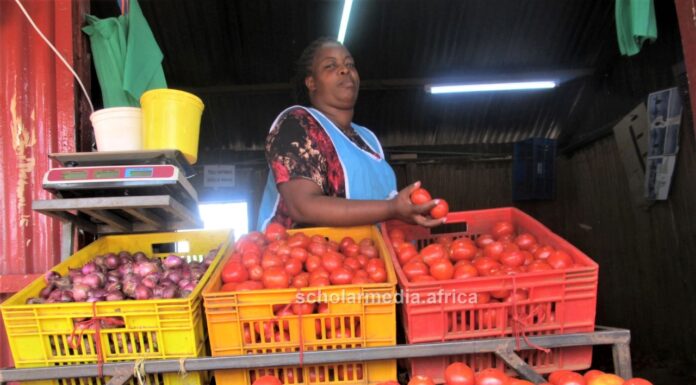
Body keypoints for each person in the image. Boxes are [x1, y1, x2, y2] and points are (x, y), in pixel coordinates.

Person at [257, 37, 445, 230]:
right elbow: (302, 207)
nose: (345, 69)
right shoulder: (297, 123)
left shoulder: (368, 139)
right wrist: (391, 208)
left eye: (350, 64)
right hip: (302, 255)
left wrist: (409, 209)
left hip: (369, 255)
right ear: (311, 82)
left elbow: (384, 205)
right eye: (330, 66)